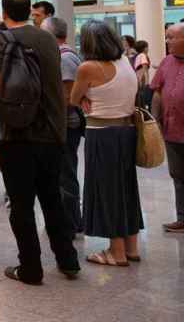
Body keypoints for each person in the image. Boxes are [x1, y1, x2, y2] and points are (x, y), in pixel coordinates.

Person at [0, 0, 80, 285]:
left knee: (22, 204)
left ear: (4, 12)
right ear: (30, 12)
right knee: (53, 199)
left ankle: (30, 268)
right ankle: (68, 261)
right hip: (53, 132)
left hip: (18, 134)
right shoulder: (49, 40)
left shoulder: (3, 40)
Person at [71, 20, 143, 267]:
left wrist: (82, 100)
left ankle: (116, 252)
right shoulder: (125, 62)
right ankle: (131, 247)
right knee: (126, 189)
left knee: (107, 190)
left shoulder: (88, 67)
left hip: (102, 134)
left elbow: (73, 98)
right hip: (127, 132)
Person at [42, 17, 85, 236]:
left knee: (66, 174)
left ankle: (71, 221)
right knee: (62, 173)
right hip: (62, 124)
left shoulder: (65, 58)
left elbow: (67, 97)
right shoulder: (61, 55)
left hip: (66, 125)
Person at [151, 23, 184, 234]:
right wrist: (155, 120)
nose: (167, 41)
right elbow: (156, 90)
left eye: (172, 37)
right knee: (178, 176)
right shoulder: (166, 62)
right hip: (172, 130)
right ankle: (182, 218)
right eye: (167, 37)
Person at [134, 40, 152, 110]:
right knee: (145, 99)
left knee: (140, 98)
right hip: (142, 79)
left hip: (138, 79)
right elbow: (144, 68)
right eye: (147, 47)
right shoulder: (143, 55)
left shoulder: (138, 56)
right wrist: (147, 82)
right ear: (144, 48)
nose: (148, 49)